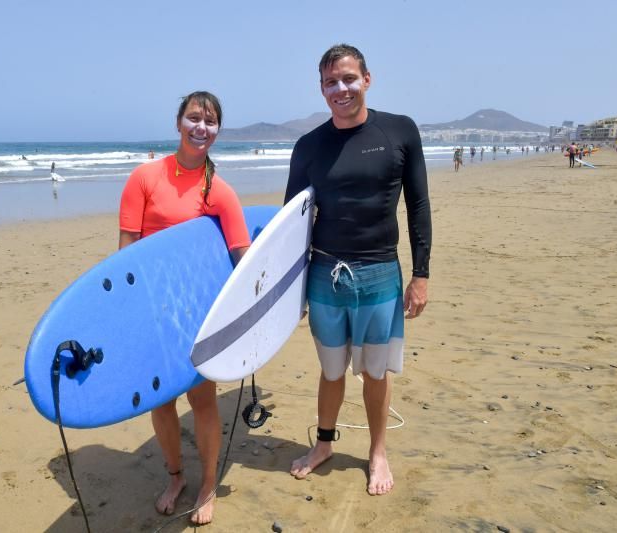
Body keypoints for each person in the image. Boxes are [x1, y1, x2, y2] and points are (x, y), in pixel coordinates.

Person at [284, 44, 431, 496]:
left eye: (348, 78)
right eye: (331, 82)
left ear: (367, 79)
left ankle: (377, 452)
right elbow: (292, 222)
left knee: (375, 373)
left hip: (380, 274)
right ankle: (324, 444)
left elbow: (418, 204)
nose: (341, 89)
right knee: (330, 372)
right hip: (325, 276)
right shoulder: (308, 146)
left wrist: (420, 274)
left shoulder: (400, 131)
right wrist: (288, 294)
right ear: (322, 89)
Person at [119, 91, 250, 525]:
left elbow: (242, 261)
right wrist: (130, 312)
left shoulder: (220, 191)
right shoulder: (144, 178)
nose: (201, 127)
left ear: (217, 131)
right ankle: (175, 476)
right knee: (161, 401)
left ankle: (208, 482)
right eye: (194, 117)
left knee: (203, 400)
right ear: (178, 123)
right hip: (155, 310)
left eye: (210, 121)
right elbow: (126, 254)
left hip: (196, 311)